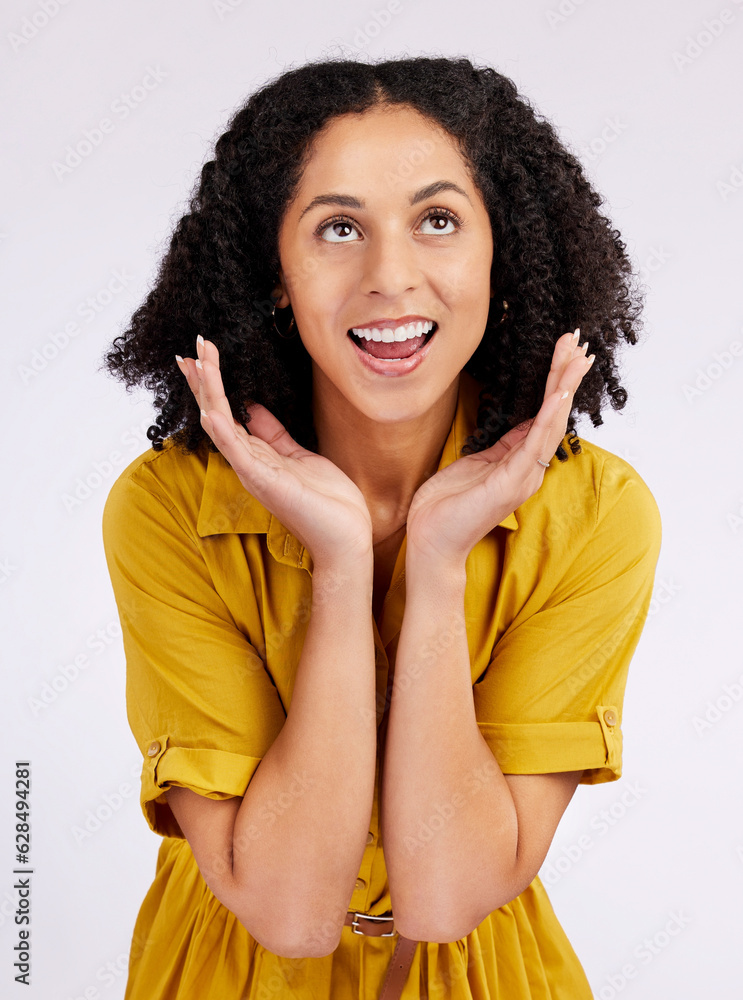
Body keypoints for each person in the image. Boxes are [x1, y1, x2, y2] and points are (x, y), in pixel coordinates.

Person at [101, 54, 662, 1000]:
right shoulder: (168, 508)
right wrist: (338, 564)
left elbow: (445, 901)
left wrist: (438, 564)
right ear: (273, 273)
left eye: (437, 220)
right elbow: (285, 908)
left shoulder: (594, 514)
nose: (390, 277)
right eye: (337, 229)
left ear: (503, 254)